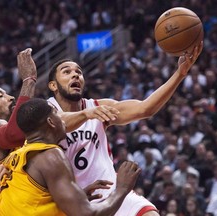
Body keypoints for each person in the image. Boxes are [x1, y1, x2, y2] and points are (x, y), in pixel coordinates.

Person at [46, 42, 203, 216]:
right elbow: (58, 121)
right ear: (53, 85)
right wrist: (86, 114)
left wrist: (180, 74)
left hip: (110, 192)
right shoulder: (45, 110)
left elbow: (145, 109)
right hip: (71, 202)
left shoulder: (98, 106)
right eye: (67, 72)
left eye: (79, 72)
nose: (75, 75)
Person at [0, 48, 119, 181]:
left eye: (8, 94)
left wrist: (82, 192)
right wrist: (29, 80)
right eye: (0, 95)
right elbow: (14, 134)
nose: (11, 97)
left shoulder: (33, 137)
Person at [0, 98, 141, 215]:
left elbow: (30, 201)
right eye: (57, 114)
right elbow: (87, 214)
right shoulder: (50, 156)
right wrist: (122, 188)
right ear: (51, 122)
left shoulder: (18, 154)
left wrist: (79, 196)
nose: (62, 119)